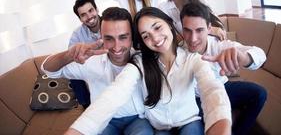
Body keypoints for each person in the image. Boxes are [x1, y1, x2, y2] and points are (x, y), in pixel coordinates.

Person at [66, 7, 232, 135]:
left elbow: (211, 90)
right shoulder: (140, 62)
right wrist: (78, 130)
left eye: (157, 27)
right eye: (145, 35)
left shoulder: (193, 59)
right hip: (159, 128)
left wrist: (222, 124)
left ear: (169, 23)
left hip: (189, 122)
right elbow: (115, 94)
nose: (155, 38)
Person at [41, 7, 154, 135]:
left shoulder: (144, 59)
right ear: (101, 36)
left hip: (138, 119)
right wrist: (69, 54)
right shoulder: (90, 61)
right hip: (105, 122)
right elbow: (47, 69)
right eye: (109, 38)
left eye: (123, 37)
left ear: (132, 37)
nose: (116, 47)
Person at [180, 2, 267, 135]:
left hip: (223, 87)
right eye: (187, 30)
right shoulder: (178, 52)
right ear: (182, 29)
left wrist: (244, 57)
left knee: (260, 93)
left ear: (209, 28)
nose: (193, 39)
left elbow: (260, 54)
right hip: (196, 99)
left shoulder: (219, 45)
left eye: (199, 30)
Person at [69, 0, 101, 108]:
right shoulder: (77, 33)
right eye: (83, 15)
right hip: (92, 66)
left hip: (113, 60)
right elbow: (71, 55)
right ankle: (87, 106)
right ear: (80, 19)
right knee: (73, 71)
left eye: (91, 10)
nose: (89, 16)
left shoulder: (111, 22)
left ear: (97, 10)